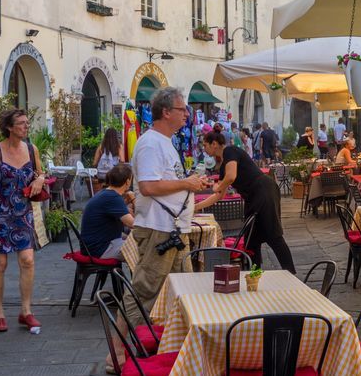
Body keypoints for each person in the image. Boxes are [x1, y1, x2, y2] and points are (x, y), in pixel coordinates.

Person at [126, 87, 209, 329]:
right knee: (145, 290)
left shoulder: (165, 142)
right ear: (165, 112)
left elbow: (166, 181)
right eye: (182, 109)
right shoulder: (151, 144)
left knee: (182, 288)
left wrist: (191, 184)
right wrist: (186, 183)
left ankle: (174, 344)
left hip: (172, 230)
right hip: (158, 229)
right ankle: (120, 352)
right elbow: (149, 186)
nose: (187, 114)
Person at [0, 109, 46, 333]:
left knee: (28, 260)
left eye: (27, 123)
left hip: (22, 212)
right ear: (10, 128)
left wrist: (40, 179)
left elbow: (40, 173)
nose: (26, 126)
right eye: (21, 124)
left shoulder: (32, 150)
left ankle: (26, 311)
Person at [196, 131, 296, 272]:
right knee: (251, 240)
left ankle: (290, 273)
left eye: (205, 145)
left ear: (214, 144)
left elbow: (231, 177)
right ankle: (254, 274)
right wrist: (196, 207)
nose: (204, 149)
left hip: (263, 190)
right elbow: (218, 196)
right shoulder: (224, 165)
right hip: (252, 197)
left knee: (273, 235)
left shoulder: (230, 150)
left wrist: (219, 185)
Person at [79, 164, 135, 259]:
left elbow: (127, 214)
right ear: (128, 181)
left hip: (93, 245)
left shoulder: (106, 193)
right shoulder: (113, 198)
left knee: (132, 238)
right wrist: (133, 199)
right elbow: (133, 224)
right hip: (100, 249)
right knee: (143, 250)